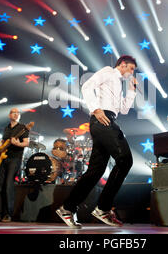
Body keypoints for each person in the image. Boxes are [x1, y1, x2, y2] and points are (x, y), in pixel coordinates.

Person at [56, 55, 138, 229]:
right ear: (122, 64)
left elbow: (122, 109)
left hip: (109, 120)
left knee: (95, 170)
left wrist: (131, 91)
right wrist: (95, 109)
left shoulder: (120, 84)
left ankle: (67, 208)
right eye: (131, 68)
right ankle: (103, 208)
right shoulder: (108, 72)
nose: (132, 73)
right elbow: (86, 86)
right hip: (102, 120)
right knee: (125, 160)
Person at [0, 108, 29, 222]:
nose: (16, 114)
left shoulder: (22, 128)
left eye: (18, 113)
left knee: (8, 185)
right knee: (0, 185)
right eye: (13, 112)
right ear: (9, 115)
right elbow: (3, 142)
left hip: (15, 159)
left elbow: (26, 142)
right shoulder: (6, 128)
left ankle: (8, 214)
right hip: (3, 158)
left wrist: (18, 143)